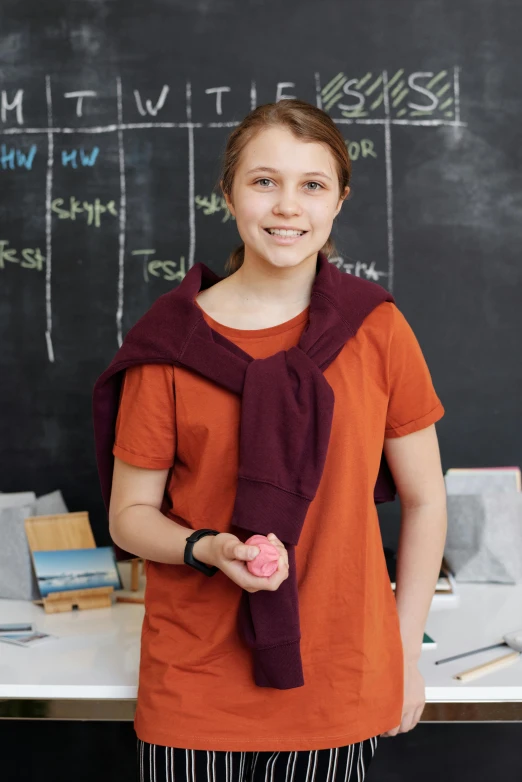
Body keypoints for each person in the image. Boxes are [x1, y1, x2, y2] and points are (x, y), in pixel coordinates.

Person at [104, 99, 447, 782]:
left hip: (339, 676)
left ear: (339, 200)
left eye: (312, 185)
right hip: (196, 686)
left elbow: (427, 500)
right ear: (228, 192)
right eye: (264, 181)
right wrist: (204, 546)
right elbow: (129, 517)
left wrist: (405, 652)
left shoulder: (376, 329)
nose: (287, 206)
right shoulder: (169, 344)